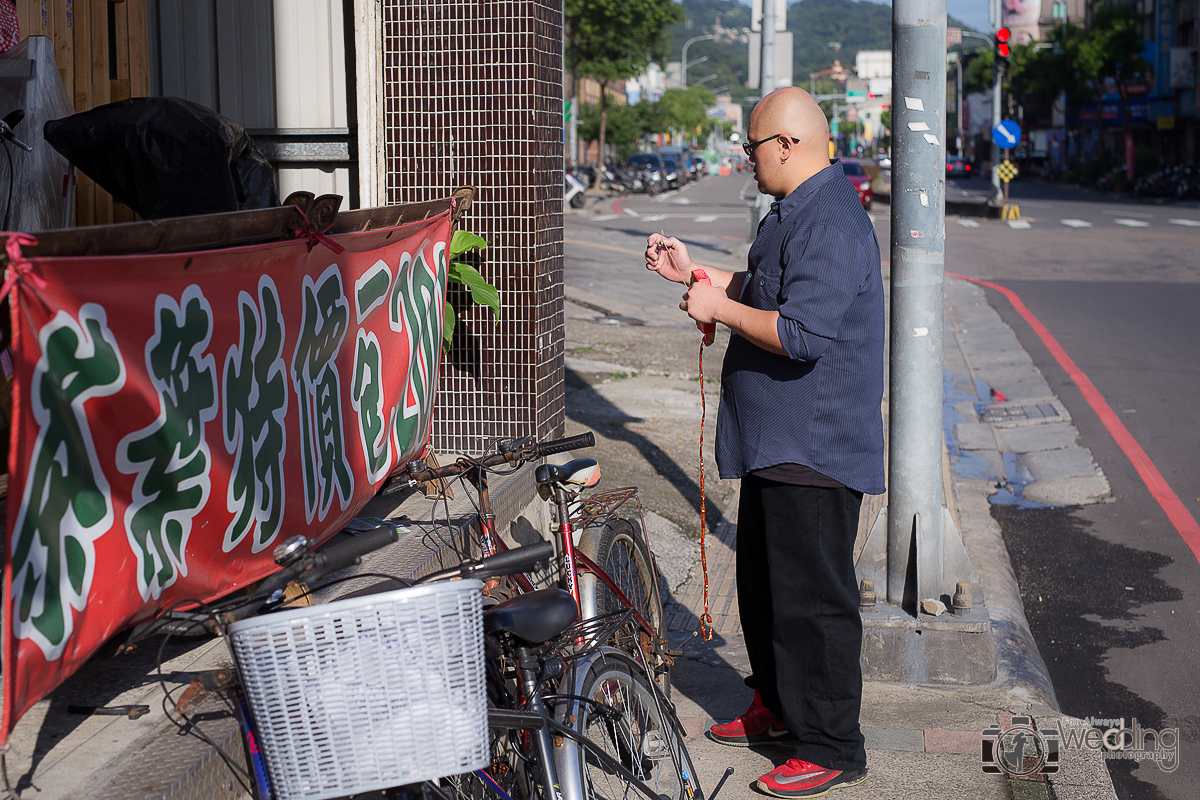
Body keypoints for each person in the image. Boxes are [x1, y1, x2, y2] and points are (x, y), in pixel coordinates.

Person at [643, 87, 885, 798]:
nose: (744, 160)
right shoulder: (795, 212)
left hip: (814, 445)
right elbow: (773, 290)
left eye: (751, 148)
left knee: (812, 602)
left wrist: (719, 307)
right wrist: (702, 277)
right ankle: (780, 709)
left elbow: (804, 334)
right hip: (777, 442)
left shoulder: (833, 220)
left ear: (786, 144)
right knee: (769, 593)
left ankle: (833, 743)